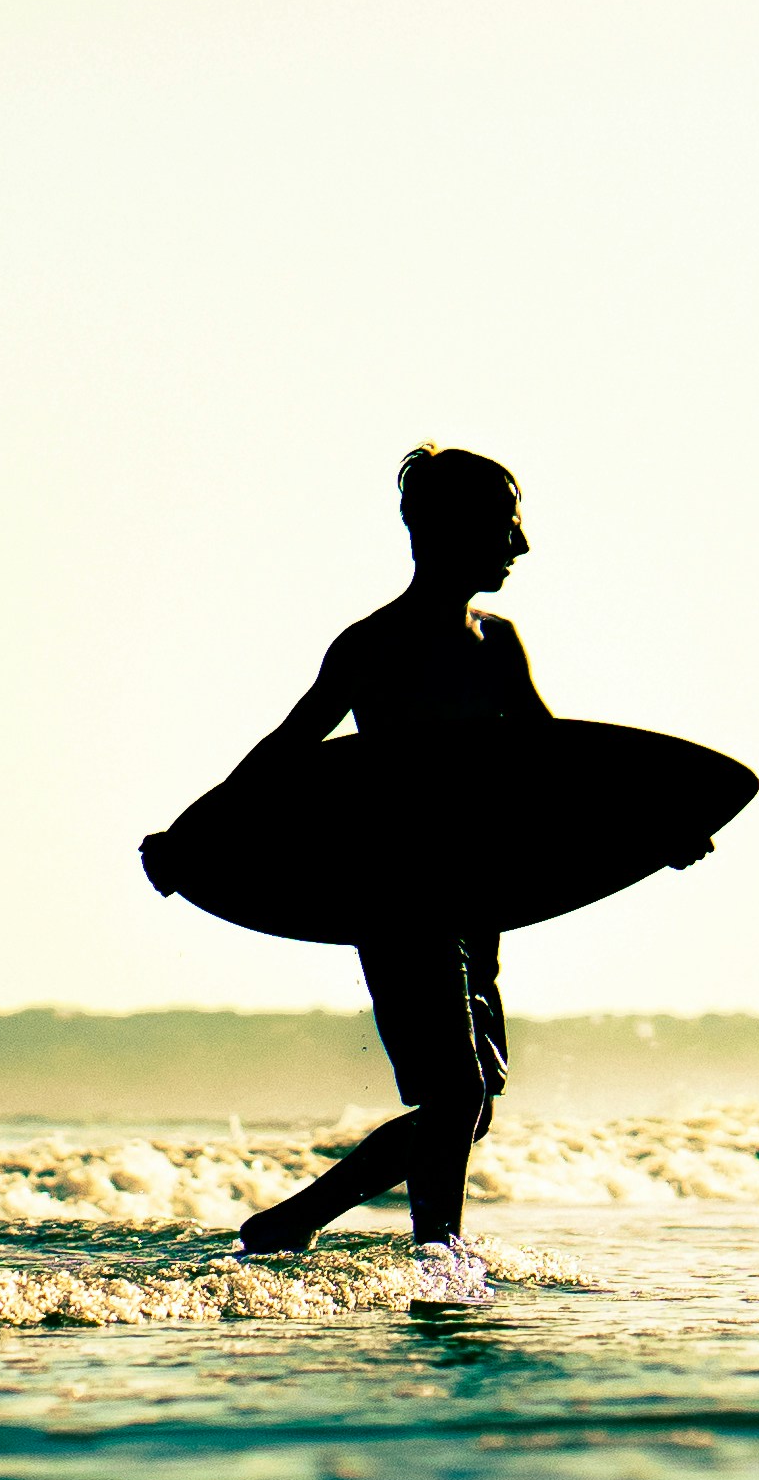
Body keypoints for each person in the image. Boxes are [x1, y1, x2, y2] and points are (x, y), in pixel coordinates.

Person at [143, 446, 551, 1302]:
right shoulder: (375, 646)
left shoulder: (499, 647)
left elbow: (555, 768)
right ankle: (441, 1261)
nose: (520, 542)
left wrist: (658, 825)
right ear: (451, 531)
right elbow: (286, 755)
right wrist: (189, 835)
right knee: (458, 1088)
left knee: (470, 1101)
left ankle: (302, 1224)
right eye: (505, 522)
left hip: (477, 901)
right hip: (398, 896)